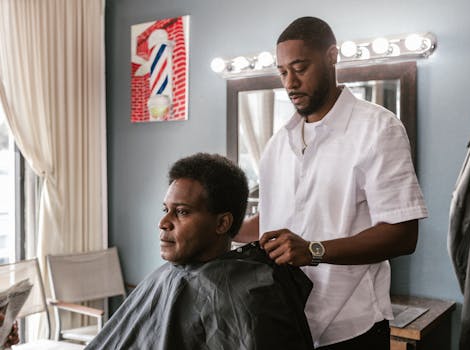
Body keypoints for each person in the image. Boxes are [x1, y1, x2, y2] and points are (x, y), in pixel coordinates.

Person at [235, 17, 428, 349]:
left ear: (332, 56)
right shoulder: (277, 145)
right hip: (288, 323)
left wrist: (313, 251)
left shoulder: (378, 129)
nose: (290, 82)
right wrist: (222, 227)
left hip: (352, 328)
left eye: (300, 67)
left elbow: (402, 234)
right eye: (283, 72)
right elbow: (272, 223)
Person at [85, 153, 314, 350]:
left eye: (182, 212)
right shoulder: (168, 277)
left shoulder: (251, 295)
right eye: (166, 209)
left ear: (222, 223)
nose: (163, 222)